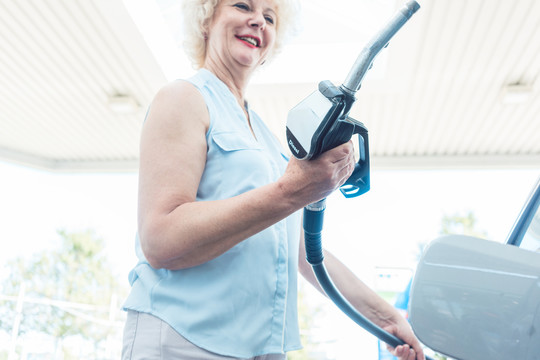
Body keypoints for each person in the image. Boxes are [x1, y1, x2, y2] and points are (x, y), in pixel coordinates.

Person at [121, 0, 425, 359]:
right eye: (242, 6)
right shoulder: (183, 98)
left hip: (258, 348)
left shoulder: (264, 139)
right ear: (206, 20)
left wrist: (384, 317)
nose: (257, 21)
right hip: (181, 341)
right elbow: (160, 239)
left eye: (269, 17)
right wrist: (291, 190)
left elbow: (299, 247)